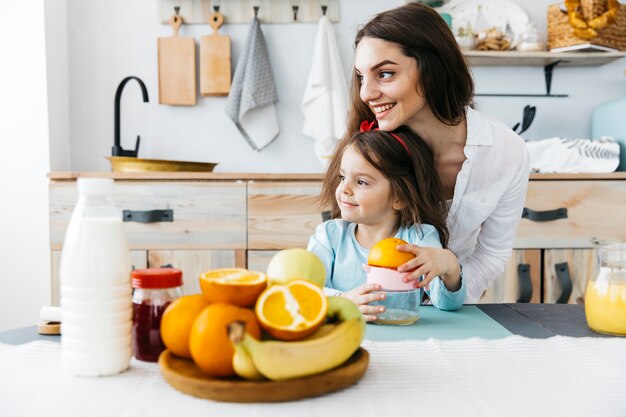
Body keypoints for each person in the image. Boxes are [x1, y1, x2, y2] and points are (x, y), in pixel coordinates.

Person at [345, 3, 530, 303]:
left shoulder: (507, 154)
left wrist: (449, 292)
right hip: (372, 308)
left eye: (386, 74)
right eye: (361, 77)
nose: (366, 93)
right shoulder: (369, 150)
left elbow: (492, 254)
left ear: (433, 69)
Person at [307, 124, 466, 321]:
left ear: (400, 198)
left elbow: (447, 304)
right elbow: (308, 293)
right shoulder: (329, 236)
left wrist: (450, 266)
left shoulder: (419, 239)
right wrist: (344, 301)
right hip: (342, 334)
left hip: (402, 336)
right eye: (342, 177)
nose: (344, 189)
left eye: (361, 182)